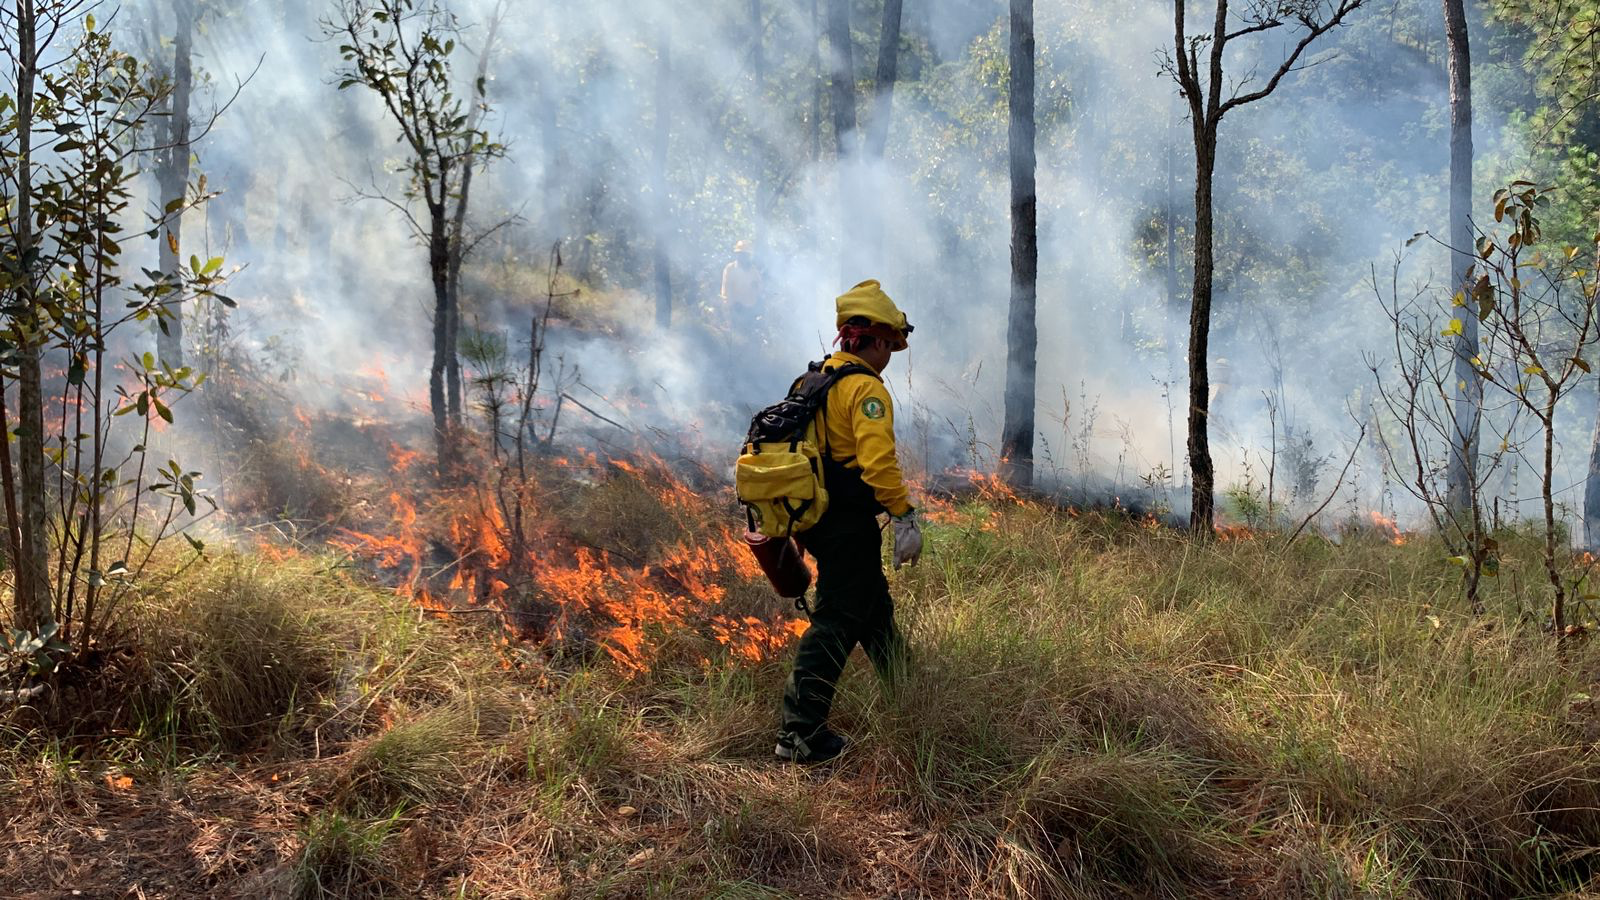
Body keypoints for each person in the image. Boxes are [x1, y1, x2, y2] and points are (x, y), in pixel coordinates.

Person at [776, 279, 923, 764]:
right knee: (838, 617)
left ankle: (913, 697)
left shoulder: (812, 380)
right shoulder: (865, 390)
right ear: (877, 341)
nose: (890, 357)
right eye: (891, 347)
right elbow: (878, 463)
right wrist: (903, 515)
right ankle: (799, 734)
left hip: (812, 518)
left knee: (873, 609)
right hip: (844, 523)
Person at [720, 239, 763, 339]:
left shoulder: (753, 271)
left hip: (750, 311)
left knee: (748, 339)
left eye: (745, 255)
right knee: (736, 338)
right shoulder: (730, 269)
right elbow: (725, 291)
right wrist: (727, 310)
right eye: (740, 254)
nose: (743, 257)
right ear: (737, 255)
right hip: (735, 310)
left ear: (749, 256)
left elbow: (760, 289)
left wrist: (756, 287)